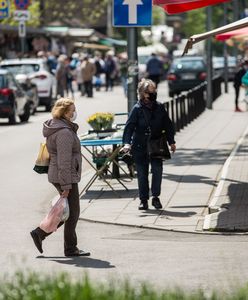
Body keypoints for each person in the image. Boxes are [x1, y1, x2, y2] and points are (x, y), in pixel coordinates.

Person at [30, 98, 90, 257]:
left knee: (67, 211)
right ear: (64, 112)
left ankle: (41, 234)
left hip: (63, 174)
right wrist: (66, 185)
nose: (75, 112)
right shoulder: (63, 132)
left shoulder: (60, 127)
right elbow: (64, 161)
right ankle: (68, 247)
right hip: (65, 175)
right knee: (72, 212)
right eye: (72, 110)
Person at [122, 79, 176, 210]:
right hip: (140, 146)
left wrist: (171, 141)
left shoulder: (159, 107)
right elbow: (129, 128)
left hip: (157, 144)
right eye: (152, 91)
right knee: (142, 173)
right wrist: (126, 144)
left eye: (154, 91)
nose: (154, 93)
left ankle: (156, 197)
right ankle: (144, 200)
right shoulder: (137, 109)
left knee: (157, 171)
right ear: (144, 94)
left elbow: (168, 125)